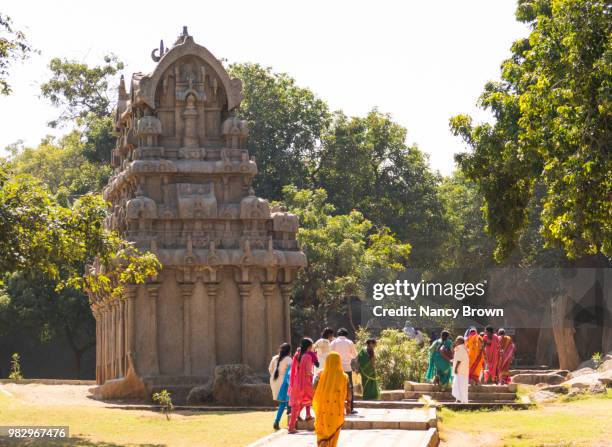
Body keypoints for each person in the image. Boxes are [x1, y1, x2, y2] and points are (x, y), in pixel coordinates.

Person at [313, 352, 350, 447]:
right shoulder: (344, 376)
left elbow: (314, 387)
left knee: (322, 430)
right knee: (334, 432)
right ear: (339, 361)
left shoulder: (320, 374)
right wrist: (348, 405)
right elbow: (349, 393)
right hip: (336, 410)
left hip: (323, 408)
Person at [288, 337, 315, 433]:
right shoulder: (308, 356)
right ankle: (322, 423)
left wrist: (291, 383)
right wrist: (314, 374)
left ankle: (291, 427)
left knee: (296, 404)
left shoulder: (297, 354)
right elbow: (308, 372)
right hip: (305, 383)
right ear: (309, 346)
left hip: (296, 382)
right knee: (314, 399)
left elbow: (293, 369)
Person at [330, 328, 358, 413]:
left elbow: (330, 354)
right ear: (346, 335)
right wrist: (348, 356)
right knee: (349, 388)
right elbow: (354, 355)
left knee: (336, 388)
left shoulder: (333, 342)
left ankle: (336, 408)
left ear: (338, 334)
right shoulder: (350, 342)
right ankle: (350, 408)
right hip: (347, 368)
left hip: (336, 369)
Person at [268, 343, 292, 430]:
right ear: (289, 351)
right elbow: (291, 373)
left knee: (284, 401)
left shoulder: (274, 358)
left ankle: (279, 421)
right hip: (283, 383)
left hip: (274, 381)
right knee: (286, 401)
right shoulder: (289, 359)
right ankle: (280, 421)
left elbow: (270, 369)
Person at [451, 336, 469, 403]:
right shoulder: (462, 348)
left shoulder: (461, 348)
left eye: (456, 340)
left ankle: (459, 399)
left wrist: (456, 368)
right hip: (462, 371)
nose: (455, 341)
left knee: (458, 385)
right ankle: (460, 399)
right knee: (461, 385)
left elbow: (459, 360)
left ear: (460, 341)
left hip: (460, 370)